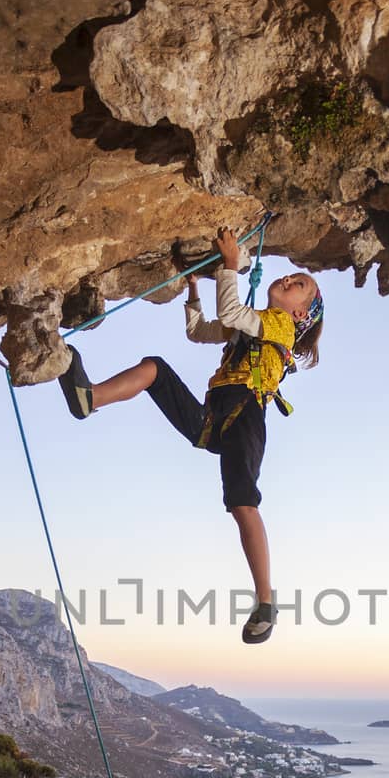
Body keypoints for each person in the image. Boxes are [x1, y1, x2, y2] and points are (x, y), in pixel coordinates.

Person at [57, 225, 324, 644]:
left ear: (298, 313)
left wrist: (232, 266)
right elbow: (200, 331)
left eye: (299, 285)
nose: (288, 279)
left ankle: (266, 602)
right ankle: (88, 399)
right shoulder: (257, 325)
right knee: (156, 369)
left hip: (246, 417)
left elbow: (234, 314)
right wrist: (194, 290)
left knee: (242, 503)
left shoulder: (281, 328)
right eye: (293, 276)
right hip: (215, 417)